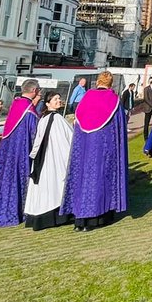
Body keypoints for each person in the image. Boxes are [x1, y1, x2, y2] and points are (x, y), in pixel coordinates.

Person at [61, 71, 128, 231]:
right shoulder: (113, 100)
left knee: (82, 177)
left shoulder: (86, 98)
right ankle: (96, 218)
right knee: (100, 178)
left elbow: (78, 123)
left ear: (97, 82)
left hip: (83, 147)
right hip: (104, 147)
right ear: (111, 84)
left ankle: (79, 219)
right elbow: (119, 126)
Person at [0, 79, 42, 227]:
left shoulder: (16, 104)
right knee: (17, 177)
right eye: (39, 90)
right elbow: (34, 132)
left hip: (8, 149)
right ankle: (14, 211)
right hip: (21, 150)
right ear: (34, 91)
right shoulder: (28, 111)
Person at [24, 92, 73, 230]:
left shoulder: (45, 118)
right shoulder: (55, 118)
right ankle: (54, 216)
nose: (59, 101)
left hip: (45, 158)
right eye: (55, 99)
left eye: (59, 98)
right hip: (52, 159)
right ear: (47, 103)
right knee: (54, 186)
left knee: (47, 187)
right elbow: (68, 140)